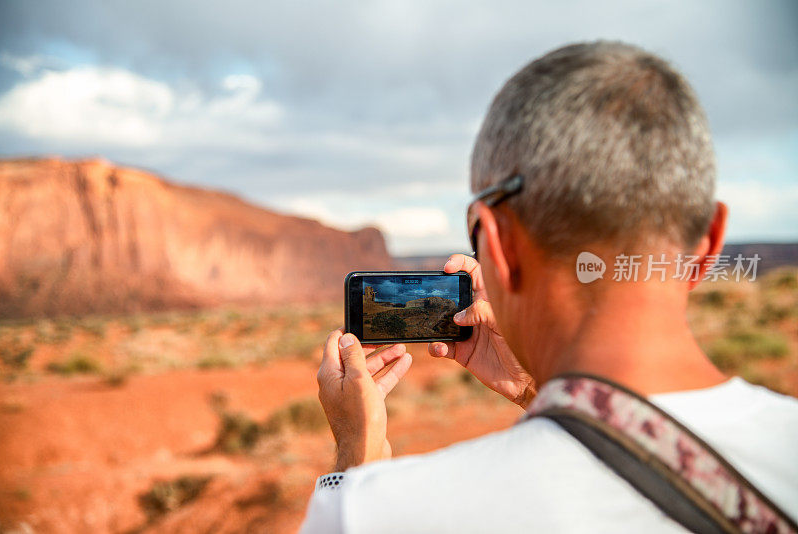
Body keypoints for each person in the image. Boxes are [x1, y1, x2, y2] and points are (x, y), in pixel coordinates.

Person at [300, 41, 798, 533]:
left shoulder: (386, 512)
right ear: (708, 246)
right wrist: (534, 392)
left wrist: (356, 451)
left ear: (497, 248)